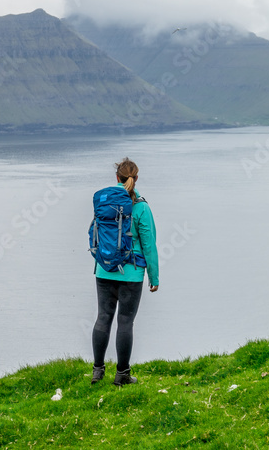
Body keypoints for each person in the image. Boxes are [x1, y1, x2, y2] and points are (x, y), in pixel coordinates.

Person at [91, 157, 160, 386]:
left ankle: (97, 371)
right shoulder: (140, 206)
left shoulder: (105, 202)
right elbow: (149, 245)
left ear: (117, 177)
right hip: (130, 275)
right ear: (136, 178)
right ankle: (122, 375)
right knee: (125, 322)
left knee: (103, 318)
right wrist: (154, 276)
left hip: (104, 270)